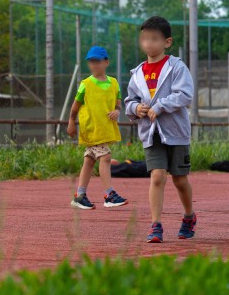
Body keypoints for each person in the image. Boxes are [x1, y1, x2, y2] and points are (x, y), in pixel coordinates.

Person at [124, 16, 195, 243]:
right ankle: (156, 225)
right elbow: (129, 102)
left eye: (154, 39)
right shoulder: (137, 74)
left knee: (180, 180)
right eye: (144, 39)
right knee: (157, 177)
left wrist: (160, 106)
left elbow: (185, 94)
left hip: (176, 133)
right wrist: (137, 108)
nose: (149, 44)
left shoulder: (176, 67)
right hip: (151, 134)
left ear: (167, 42)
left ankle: (188, 216)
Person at [66, 46, 128, 209]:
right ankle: (109, 194)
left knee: (89, 160)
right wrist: (71, 121)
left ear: (106, 62)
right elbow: (75, 106)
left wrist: (117, 111)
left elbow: (118, 102)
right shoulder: (85, 84)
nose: (93, 65)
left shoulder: (114, 83)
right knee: (105, 157)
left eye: (97, 61)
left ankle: (80, 195)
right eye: (91, 62)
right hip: (92, 129)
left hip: (105, 128)